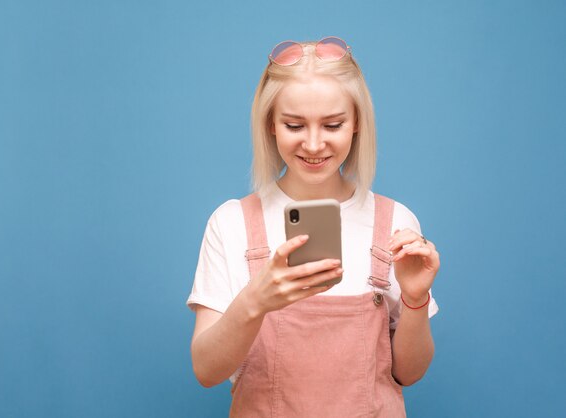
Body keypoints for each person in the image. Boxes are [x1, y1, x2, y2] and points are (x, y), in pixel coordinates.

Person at [187, 36, 440, 417]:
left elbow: (409, 373)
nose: (314, 143)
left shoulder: (395, 223)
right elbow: (206, 371)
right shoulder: (232, 223)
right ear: (270, 124)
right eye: (294, 124)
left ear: (357, 124)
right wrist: (255, 301)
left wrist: (415, 299)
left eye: (333, 124)